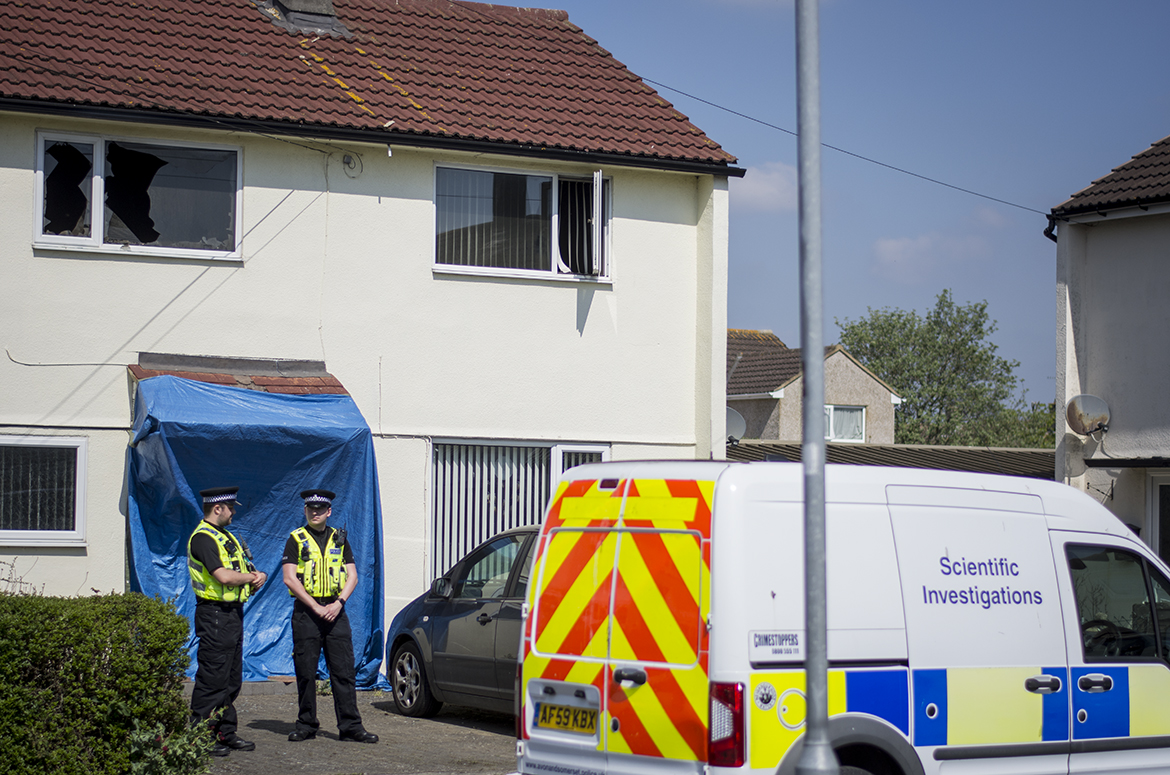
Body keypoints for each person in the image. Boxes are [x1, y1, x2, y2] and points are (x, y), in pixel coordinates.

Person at [282, 489, 378, 743]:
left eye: (320, 509)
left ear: (329, 512)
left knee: (344, 670)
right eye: (311, 509)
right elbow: (289, 578)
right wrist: (315, 606)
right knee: (305, 671)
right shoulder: (296, 539)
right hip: (307, 612)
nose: (315, 513)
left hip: (336, 611)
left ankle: (350, 727)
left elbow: (353, 575)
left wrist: (339, 603)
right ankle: (306, 724)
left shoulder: (339, 538)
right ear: (305, 511)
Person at [187, 486, 268, 757]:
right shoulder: (203, 538)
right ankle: (200, 737)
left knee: (231, 680)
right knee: (212, 679)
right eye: (231, 508)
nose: (233, 512)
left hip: (232, 614)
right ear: (217, 508)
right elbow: (222, 576)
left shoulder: (226, 537)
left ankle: (225, 731)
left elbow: (242, 571)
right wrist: (250, 578)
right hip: (214, 615)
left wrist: (257, 577)